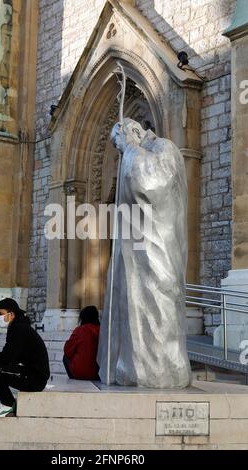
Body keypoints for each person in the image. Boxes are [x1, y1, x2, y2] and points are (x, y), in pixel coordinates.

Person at [97, 118, 191, 388]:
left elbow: (150, 183)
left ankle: (157, 371)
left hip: (156, 249)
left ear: (135, 132)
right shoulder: (140, 151)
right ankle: (124, 367)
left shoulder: (165, 148)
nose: (120, 150)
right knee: (129, 304)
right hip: (134, 252)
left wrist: (129, 148)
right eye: (117, 147)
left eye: (120, 143)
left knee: (156, 305)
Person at [0, 298, 50, 418]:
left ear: (11, 314)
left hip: (35, 379)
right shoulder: (18, 327)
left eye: (0, 314)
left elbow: (7, 357)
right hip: (32, 375)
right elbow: (11, 357)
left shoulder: (19, 328)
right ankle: (8, 404)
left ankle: (7, 405)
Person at [63, 306, 100, 380]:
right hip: (97, 373)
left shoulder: (80, 330)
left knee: (65, 358)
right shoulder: (101, 330)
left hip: (79, 373)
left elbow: (67, 351)